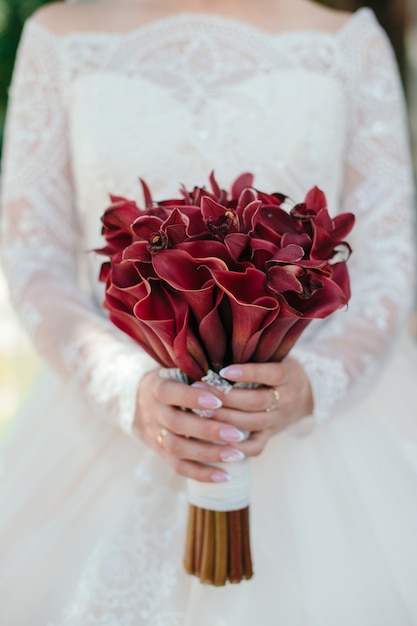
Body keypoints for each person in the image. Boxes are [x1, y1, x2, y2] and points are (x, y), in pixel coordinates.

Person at [1, 0, 417, 624]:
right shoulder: (60, 37)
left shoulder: (350, 42)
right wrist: (126, 388)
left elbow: (388, 264)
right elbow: (34, 263)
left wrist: (311, 387)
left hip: (322, 429)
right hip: (108, 421)